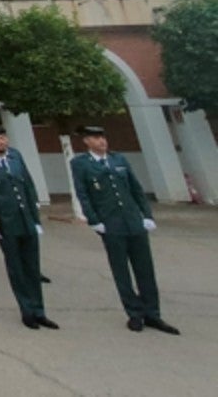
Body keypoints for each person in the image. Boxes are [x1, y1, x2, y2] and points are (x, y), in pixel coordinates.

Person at [70, 125, 179, 335]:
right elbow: (82, 192)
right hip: (111, 224)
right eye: (96, 138)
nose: (102, 141)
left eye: (103, 137)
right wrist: (94, 220)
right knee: (122, 271)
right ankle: (134, 314)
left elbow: (136, 188)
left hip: (133, 221)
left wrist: (146, 215)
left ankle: (153, 314)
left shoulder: (118, 159)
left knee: (145, 270)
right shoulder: (80, 163)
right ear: (86, 141)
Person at [0, 126, 58, 330]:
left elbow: (27, 184)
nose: (1, 142)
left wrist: (35, 217)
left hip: (26, 219)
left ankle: (40, 311)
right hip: (5, 223)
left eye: (3, 138)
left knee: (32, 267)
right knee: (16, 268)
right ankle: (27, 311)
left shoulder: (15, 159)